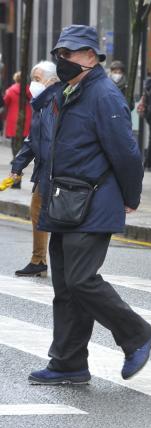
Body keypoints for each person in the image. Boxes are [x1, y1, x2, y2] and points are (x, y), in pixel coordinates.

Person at [28, 25, 151, 385]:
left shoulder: (103, 94)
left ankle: (137, 335)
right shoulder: (70, 90)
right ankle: (69, 362)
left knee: (82, 280)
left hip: (94, 201)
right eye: (60, 54)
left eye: (68, 54)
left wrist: (131, 197)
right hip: (64, 201)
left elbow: (127, 153)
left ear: (89, 56)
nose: (62, 60)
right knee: (66, 287)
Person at [9, 61, 60, 277]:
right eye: (33, 79)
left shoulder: (55, 102)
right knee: (38, 211)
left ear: (52, 80)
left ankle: (48, 261)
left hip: (56, 171)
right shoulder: (42, 102)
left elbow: (50, 140)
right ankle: (39, 260)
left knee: (53, 216)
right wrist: (17, 166)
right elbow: (33, 139)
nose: (33, 84)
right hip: (45, 170)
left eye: (37, 79)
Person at [3, 70, 32, 188]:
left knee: (15, 147)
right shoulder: (29, 90)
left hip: (14, 120)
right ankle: (17, 178)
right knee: (25, 146)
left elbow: (5, 102)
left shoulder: (10, 90)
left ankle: (15, 177)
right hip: (27, 119)